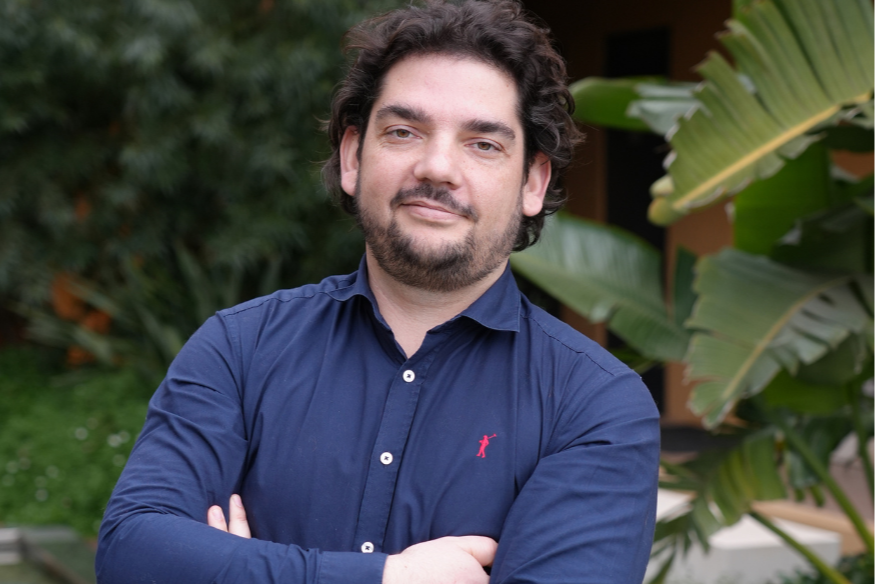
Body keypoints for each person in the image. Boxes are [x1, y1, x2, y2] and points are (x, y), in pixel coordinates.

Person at [95, 1, 660, 583]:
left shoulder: (593, 406)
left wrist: (238, 571)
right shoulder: (239, 349)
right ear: (352, 158)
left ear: (532, 183)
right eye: (403, 132)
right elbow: (131, 554)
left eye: (483, 144)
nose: (437, 167)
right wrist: (390, 578)